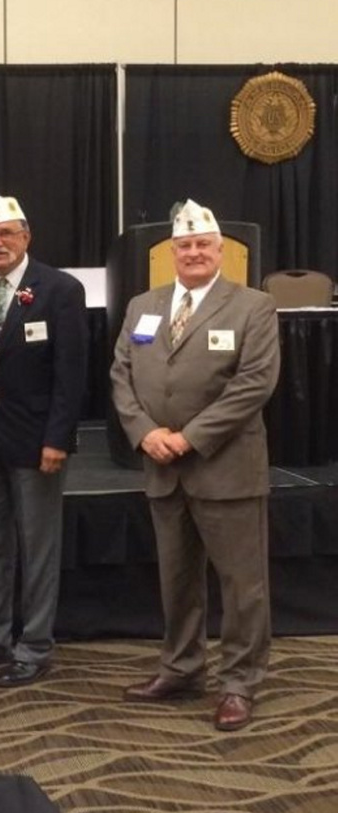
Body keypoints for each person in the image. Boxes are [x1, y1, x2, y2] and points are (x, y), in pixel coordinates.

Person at [110, 199, 280, 732]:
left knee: (241, 584)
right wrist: (145, 433)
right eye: (185, 246)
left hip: (226, 467)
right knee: (177, 580)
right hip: (162, 465)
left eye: (203, 244)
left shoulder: (253, 306)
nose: (194, 253)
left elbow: (254, 384)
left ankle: (240, 683)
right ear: (172, 252)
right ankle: (182, 669)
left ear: (221, 250)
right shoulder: (143, 305)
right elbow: (121, 376)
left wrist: (189, 437)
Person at [0, 192, 88, 687]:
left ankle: (34, 645)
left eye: (6, 233)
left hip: (37, 444)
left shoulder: (59, 290)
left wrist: (58, 438)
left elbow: (72, 375)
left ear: (26, 236)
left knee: (38, 547)